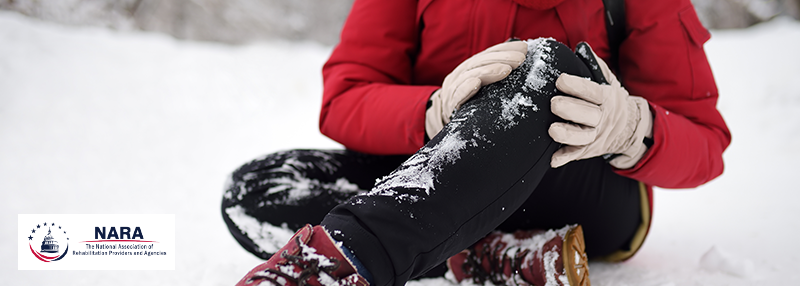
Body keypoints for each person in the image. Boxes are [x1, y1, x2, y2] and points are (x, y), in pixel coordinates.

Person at [222, 0, 731, 285]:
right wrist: (434, 110)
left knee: (546, 69)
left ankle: (340, 264)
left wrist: (629, 125)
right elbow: (345, 98)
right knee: (258, 189)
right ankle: (490, 254)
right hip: (435, 180)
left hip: (578, 187)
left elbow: (706, 142)